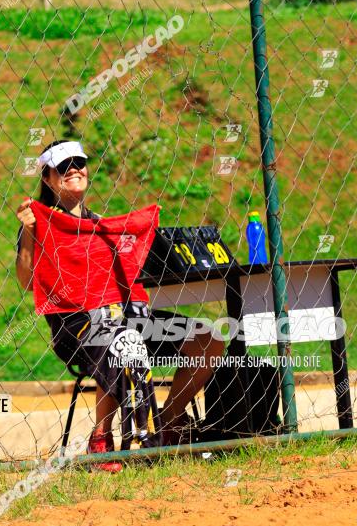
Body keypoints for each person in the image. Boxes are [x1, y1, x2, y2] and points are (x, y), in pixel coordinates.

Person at [16, 139, 223, 472]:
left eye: (78, 163)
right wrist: (28, 233)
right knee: (114, 336)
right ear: (48, 178)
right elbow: (27, 281)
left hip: (127, 319)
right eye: (63, 167)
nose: (74, 171)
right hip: (75, 328)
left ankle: (167, 419)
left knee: (208, 339)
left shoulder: (102, 226)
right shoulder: (41, 224)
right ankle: (102, 437)